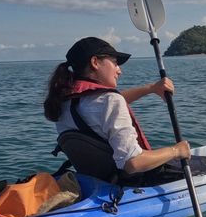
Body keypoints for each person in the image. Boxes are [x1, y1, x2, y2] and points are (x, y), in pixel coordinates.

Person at [43, 36, 188, 180]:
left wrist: (150, 88)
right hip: (133, 183)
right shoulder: (109, 101)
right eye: (115, 63)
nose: (119, 71)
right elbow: (132, 162)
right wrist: (176, 150)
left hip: (97, 180)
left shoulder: (63, 101)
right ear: (95, 62)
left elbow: (105, 106)